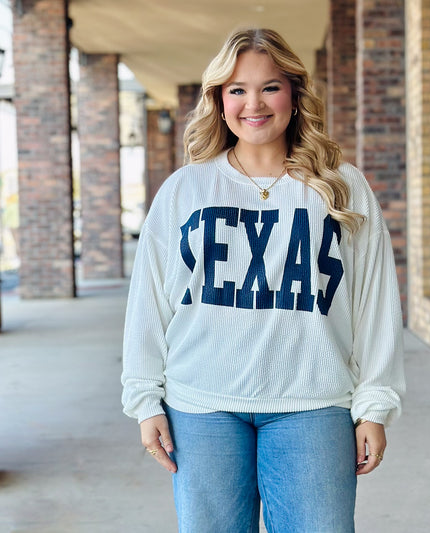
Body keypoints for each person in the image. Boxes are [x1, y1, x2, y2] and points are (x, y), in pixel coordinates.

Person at [121, 27, 405, 533]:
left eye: (270, 86)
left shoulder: (341, 187)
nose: (254, 103)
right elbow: (149, 304)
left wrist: (374, 405)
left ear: (294, 95)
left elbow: (375, 302)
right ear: (219, 100)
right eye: (237, 89)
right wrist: (145, 401)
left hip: (312, 402)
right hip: (201, 406)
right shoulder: (185, 190)